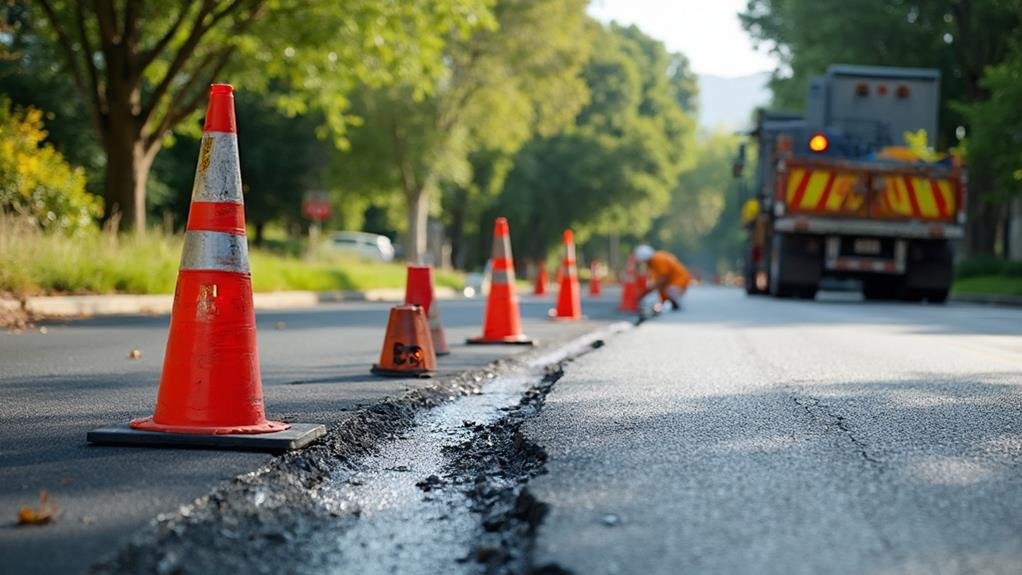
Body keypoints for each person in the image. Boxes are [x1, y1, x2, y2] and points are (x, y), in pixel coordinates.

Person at [634, 244, 690, 311]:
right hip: (671, 280)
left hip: (679, 279)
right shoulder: (653, 261)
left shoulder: (658, 259)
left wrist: (647, 292)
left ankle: (674, 302)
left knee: (669, 290)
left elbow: (662, 279)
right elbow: (658, 280)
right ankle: (667, 303)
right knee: (661, 289)